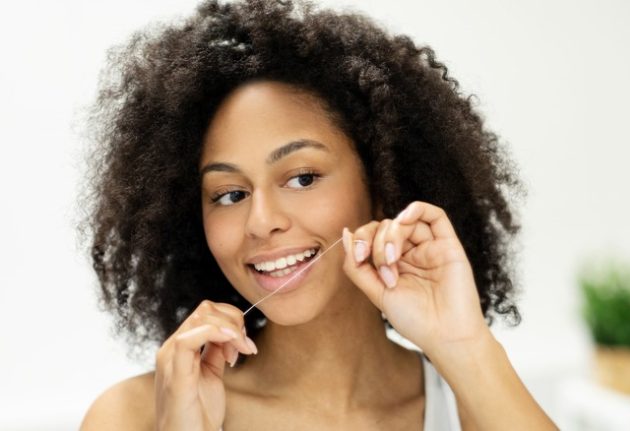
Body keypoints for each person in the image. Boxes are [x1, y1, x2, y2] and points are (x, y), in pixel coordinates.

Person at [80, 0, 557, 429]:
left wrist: (464, 346)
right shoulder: (134, 417)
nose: (261, 221)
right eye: (229, 194)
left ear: (383, 186)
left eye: (303, 178)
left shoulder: (474, 404)